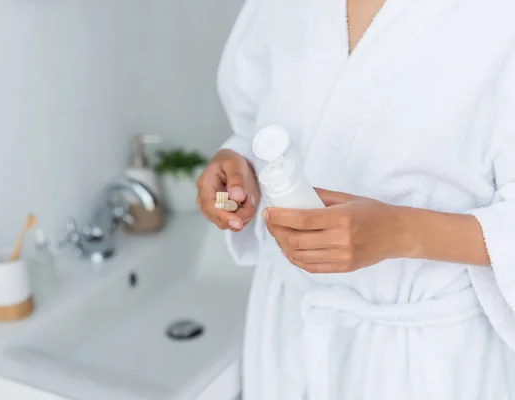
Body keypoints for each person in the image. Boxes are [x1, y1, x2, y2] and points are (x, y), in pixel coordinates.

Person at [195, 0, 515, 399]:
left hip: (427, 361)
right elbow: (257, 121)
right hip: (286, 334)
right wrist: (239, 166)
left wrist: (402, 232)